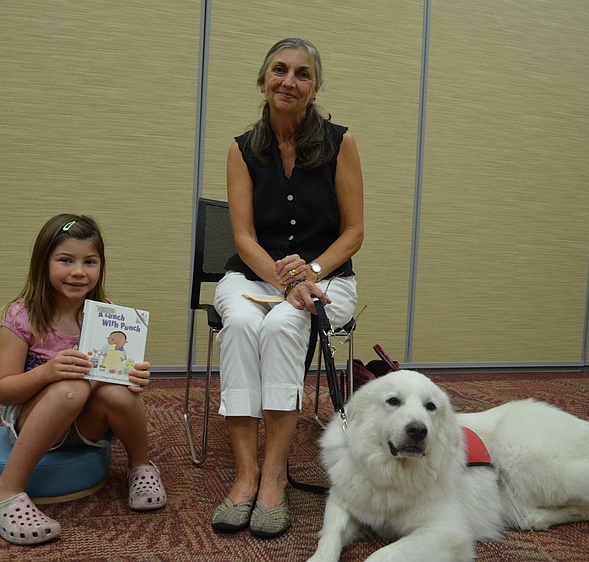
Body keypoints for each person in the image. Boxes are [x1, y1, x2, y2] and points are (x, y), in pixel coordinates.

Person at [211, 37, 363, 539]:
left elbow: (353, 232)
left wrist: (309, 274)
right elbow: (243, 237)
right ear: (263, 80)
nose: (289, 81)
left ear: (315, 88)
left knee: (281, 324)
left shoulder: (340, 143)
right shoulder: (242, 149)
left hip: (328, 279)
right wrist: (286, 278)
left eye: (302, 74)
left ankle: (274, 477)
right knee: (239, 323)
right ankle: (245, 474)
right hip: (251, 275)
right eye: (280, 70)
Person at [0, 214, 167, 546]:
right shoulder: (23, 314)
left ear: (101, 266)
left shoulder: (106, 313)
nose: (79, 271)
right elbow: (3, 391)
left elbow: (114, 375)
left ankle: (141, 467)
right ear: (43, 262)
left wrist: (132, 377)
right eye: (66, 260)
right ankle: (3, 496)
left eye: (89, 262)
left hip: (84, 425)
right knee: (71, 388)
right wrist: (47, 372)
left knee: (120, 394)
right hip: (33, 419)